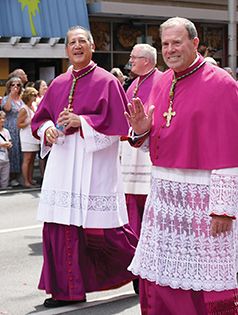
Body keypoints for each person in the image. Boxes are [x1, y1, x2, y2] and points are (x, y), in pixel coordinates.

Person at [126, 17, 238, 315]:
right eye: (165, 44)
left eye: (177, 42)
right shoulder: (162, 80)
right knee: (161, 279)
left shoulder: (221, 84)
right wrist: (140, 130)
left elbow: (230, 147)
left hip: (203, 202)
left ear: (195, 43)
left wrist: (224, 208)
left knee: (205, 284)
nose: (171, 50)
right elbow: (160, 136)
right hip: (164, 198)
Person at [31, 25, 138, 308]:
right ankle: (67, 291)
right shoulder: (57, 84)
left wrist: (84, 122)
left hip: (94, 164)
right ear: (66, 50)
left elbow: (119, 127)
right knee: (59, 227)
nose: (77, 46)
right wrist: (47, 131)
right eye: (72, 43)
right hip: (63, 164)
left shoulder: (107, 81)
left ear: (92, 46)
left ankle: (140, 267)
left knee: (105, 232)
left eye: (82, 41)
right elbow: (40, 120)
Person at [120, 44, 162, 293]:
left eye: (133, 58)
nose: (130, 61)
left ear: (146, 60)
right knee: (131, 212)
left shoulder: (160, 81)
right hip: (129, 154)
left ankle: (148, 269)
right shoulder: (133, 84)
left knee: (149, 212)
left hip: (147, 156)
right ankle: (137, 266)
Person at [1, 77, 24, 187]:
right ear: (9, 86)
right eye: (13, 85)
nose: (15, 87)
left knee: (20, 152)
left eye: (18, 85)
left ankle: (19, 175)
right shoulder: (6, 98)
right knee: (12, 152)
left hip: (21, 129)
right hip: (11, 128)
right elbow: (7, 109)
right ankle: (11, 177)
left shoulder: (22, 99)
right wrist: (11, 94)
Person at [17, 87, 40, 188]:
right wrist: (28, 122)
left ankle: (30, 179)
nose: (35, 97)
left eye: (36, 95)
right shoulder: (23, 109)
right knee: (27, 158)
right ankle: (26, 181)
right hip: (26, 136)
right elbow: (19, 124)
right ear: (28, 96)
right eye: (33, 95)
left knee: (32, 159)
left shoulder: (33, 106)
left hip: (33, 136)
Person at [0, 110, 12, 189]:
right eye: (1, 118)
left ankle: (4, 187)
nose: (2, 120)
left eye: (3, 118)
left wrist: (9, 144)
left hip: (5, 157)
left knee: (5, 174)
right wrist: (2, 144)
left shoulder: (6, 131)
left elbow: (10, 141)